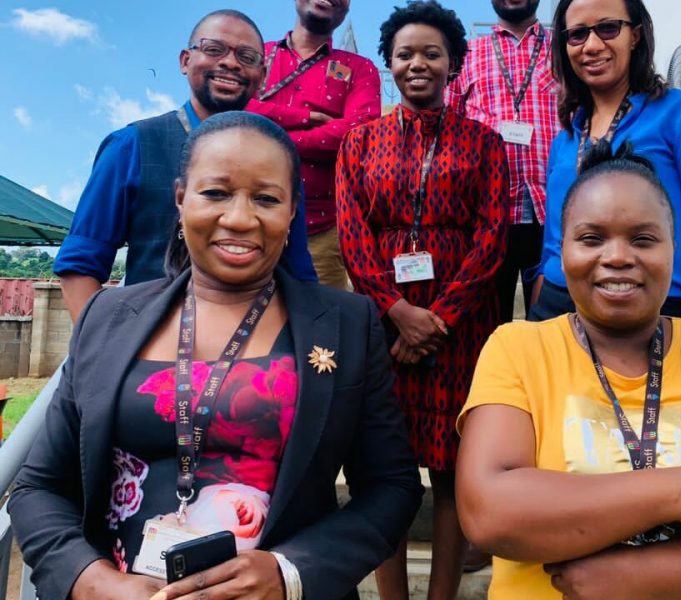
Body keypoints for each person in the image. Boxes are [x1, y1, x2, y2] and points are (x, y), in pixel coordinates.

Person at [10, 111, 423, 600]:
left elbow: (392, 486)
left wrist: (290, 574)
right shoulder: (108, 316)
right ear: (181, 198)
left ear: (293, 213)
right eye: (216, 193)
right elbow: (38, 487)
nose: (240, 217)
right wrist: (91, 581)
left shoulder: (348, 324)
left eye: (267, 198)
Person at [456, 140, 681, 599]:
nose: (617, 256)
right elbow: (489, 512)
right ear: (563, 251)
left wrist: (633, 579)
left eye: (643, 238)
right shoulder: (517, 348)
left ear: (673, 250)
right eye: (592, 238)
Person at [336, 2, 508, 598]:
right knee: (387, 469)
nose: (418, 64)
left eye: (432, 53)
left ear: (454, 64)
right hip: (386, 324)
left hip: (463, 324)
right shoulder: (358, 143)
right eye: (405, 54)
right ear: (389, 63)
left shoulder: (485, 144)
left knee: (454, 466)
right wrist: (398, 315)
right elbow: (354, 237)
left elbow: (492, 238)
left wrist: (440, 320)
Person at [54, 10, 316, 324]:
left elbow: (299, 273)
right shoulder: (132, 145)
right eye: (214, 49)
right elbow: (79, 268)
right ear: (184, 61)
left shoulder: (280, 160)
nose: (230, 63)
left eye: (246, 56)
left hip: (260, 356)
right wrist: (104, 356)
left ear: (261, 75)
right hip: (150, 352)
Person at [529, 0, 681, 326]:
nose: (592, 46)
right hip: (557, 311)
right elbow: (554, 245)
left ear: (636, 35)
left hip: (652, 308)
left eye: (608, 28)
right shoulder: (565, 139)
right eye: (578, 34)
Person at [246, 0, 381, 289]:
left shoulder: (359, 67)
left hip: (322, 232)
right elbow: (237, 107)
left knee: (319, 328)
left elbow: (359, 131)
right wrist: (305, 117)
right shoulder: (258, 55)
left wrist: (270, 139)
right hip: (246, 222)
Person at [447, 0, 559, 323]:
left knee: (553, 327)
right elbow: (449, 126)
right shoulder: (466, 55)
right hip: (487, 215)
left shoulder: (564, 50)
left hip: (553, 213)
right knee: (487, 329)